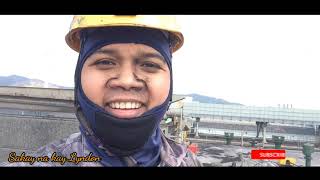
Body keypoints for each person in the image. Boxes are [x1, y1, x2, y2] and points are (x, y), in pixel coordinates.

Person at [2, 15, 202, 167]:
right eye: (105, 62)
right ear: (79, 75)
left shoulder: (190, 162)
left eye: (149, 64)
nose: (126, 81)